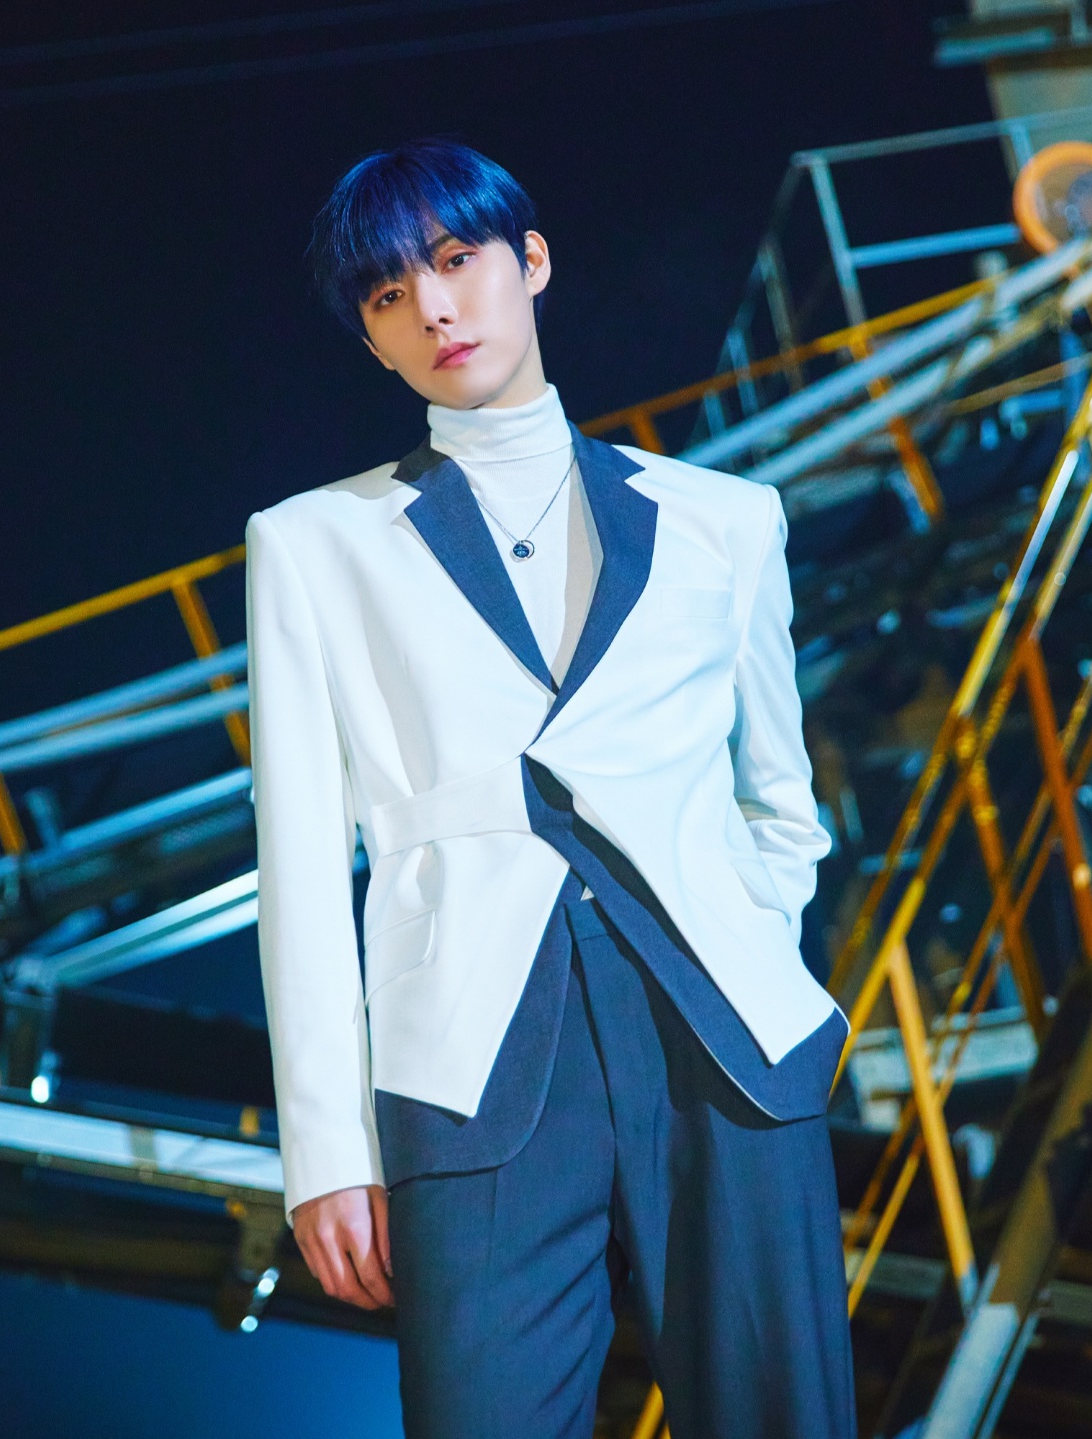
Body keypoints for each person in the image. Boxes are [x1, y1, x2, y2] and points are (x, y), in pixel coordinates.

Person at [246, 138, 854, 1439]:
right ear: (373, 340)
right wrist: (327, 1152)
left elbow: (782, 798)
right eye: (390, 295)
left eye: (456, 261)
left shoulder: (725, 518)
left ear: (530, 261)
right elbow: (297, 869)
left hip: (727, 1041)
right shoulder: (312, 545)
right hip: (469, 1058)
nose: (435, 309)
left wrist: (753, 932)